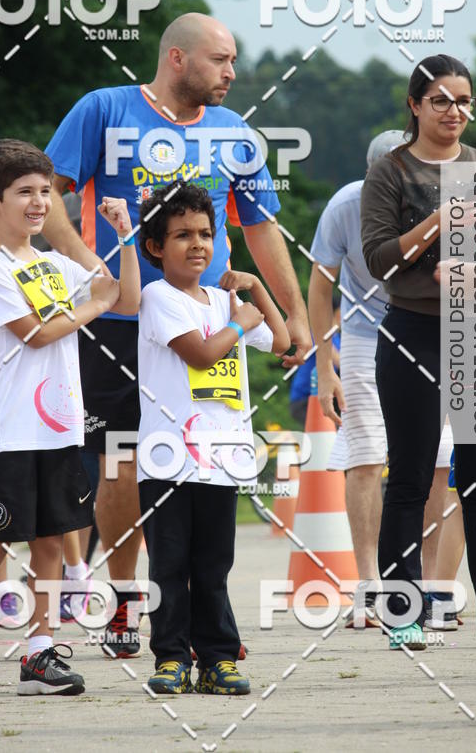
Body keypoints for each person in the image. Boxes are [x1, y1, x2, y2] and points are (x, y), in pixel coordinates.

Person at [42, 12, 311, 658]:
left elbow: (261, 226)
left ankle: (203, 616)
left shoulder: (235, 133)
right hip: (118, 323)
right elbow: (47, 192)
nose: (232, 73)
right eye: (221, 60)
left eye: (234, 60)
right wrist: (92, 265)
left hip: (206, 322)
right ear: (176, 58)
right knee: (122, 465)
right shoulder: (104, 110)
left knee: (205, 465)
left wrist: (293, 313)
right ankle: (128, 603)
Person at [0, 139, 140, 698]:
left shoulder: (53, 263)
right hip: (6, 430)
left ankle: (40, 652)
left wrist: (123, 238)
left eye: (45, 193)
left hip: (59, 428)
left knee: (52, 540)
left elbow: (124, 296)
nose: (38, 203)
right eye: (24, 192)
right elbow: (38, 331)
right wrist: (93, 304)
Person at [361, 54, 476, 650]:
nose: (456, 111)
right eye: (443, 100)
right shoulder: (391, 172)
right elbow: (378, 261)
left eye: (465, 100)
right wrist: (437, 225)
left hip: (475, 333)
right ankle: (404, 612)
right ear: (416, 105)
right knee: (412, 476)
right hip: (412, 330)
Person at [136, 182, 289, 694]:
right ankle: (171, 657)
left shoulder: (224, 300)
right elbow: (202, 355)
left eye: (206, 232)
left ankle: (219, 657)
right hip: (168, 462)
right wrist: (243, 321)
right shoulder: (159, 297)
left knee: (213, 564)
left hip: (222, 462)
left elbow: (284, 340)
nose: (198, 243)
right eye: (182, 235)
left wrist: (254, 291)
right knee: (170, 564)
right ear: (157, 246)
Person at [309, 129, 454, 628]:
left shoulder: (443, 200)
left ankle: (430, 588)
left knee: (438, 464)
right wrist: (323, 368)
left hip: (439, 337)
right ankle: (369, 584)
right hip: (366, 339)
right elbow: (320, 284)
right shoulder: (346, 205)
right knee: (368, 455)